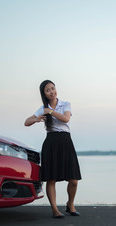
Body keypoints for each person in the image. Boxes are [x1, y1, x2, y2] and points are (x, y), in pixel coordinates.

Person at [24, 80, 81, 218]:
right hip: (51, 143)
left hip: (66, 142)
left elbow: (66, 119)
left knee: (73, 180)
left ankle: (70, 204)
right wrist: (36, 119)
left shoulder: (65, 104)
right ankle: (55, 209)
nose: (52, 91)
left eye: (53, 88)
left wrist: (50, 111)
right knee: (51, 179)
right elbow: (26, 122)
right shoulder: (42, 108)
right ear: (44, 94)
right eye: (48, 90)